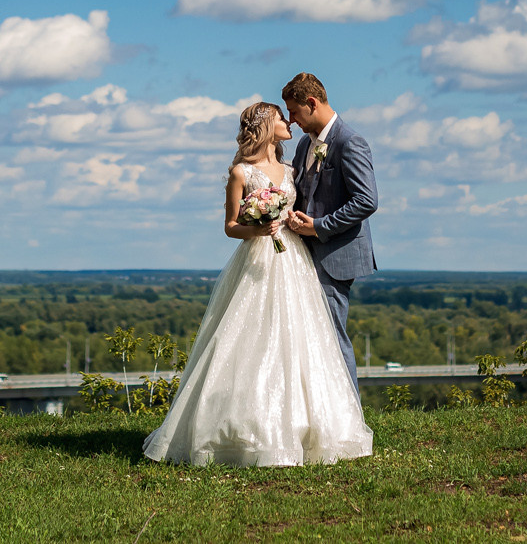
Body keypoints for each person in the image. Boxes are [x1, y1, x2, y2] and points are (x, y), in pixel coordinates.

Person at [141, 99, 373, 466]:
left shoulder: (292, 168)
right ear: (266, 125)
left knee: (302, 338)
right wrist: (258, 229)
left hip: (295, 259)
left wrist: (295, 223)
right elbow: (231, 226)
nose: (289, 122)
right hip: (256, 260)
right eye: (283, 117)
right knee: (252, 338)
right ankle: (245, 429)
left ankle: (311, 426)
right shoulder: (241, 173)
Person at [281, 72, 379, 391]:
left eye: (294, 111)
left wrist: (318, 227)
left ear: (311, 103)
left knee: (332, 338)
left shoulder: (350, 141)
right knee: (309, 339)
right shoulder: (304, 145)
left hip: (334, 256)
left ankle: (350, 414)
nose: (291, 120)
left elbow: (367, 200)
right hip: (303, 257)